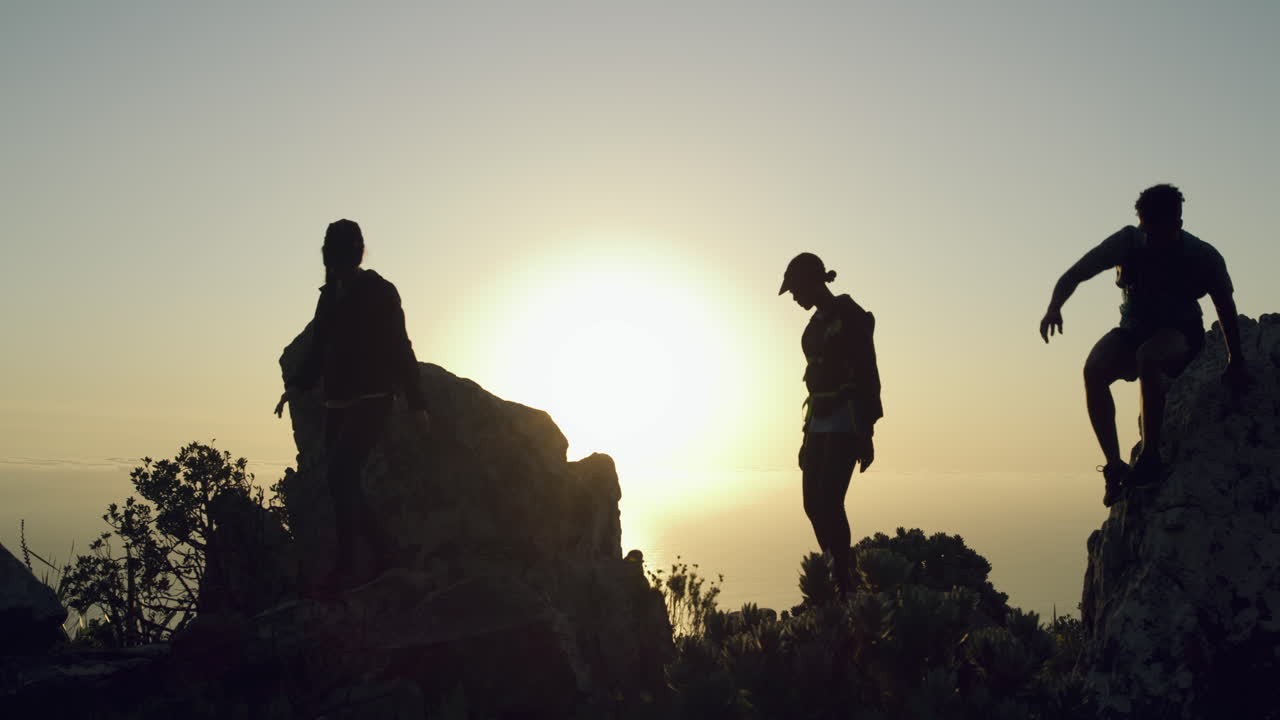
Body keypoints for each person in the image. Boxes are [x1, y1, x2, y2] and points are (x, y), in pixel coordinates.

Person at [1039, 184, 1247, 506]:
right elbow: (1076, 273)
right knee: (1093, 370)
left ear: (1175, 224)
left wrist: (1236, 359)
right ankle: (1114, 465)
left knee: (1147, 358)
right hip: (1134, 329)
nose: (1147, 237)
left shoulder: (1202, 256)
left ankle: (1151, 458)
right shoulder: (1127, 242)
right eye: (1143, 227)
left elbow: (1224, 306)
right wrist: (1055, 307)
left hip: (1181, 334)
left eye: (1155, 230)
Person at [274, 219, 431, 589]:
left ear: (354, 254)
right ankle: (374, 555)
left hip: (373, 398)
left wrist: (417, 402)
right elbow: (317, 350)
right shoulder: (329, 296)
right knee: (340, 481)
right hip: (337, 403)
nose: (333, 261)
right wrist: (296, 386)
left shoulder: (380, 291)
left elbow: (400, 346)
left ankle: (359, 560)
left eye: (338, 254)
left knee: (341, 476)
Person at [779, 252, 882, 596]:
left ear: (813, 281)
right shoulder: (814, 327)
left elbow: (869, 375)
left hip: (847, 421)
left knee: (829, 501)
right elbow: (814, 384)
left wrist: (867, 433)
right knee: (812, 503)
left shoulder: (850, 316)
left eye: (795, 289)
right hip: (819, 423)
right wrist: (806, 438)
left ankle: (844, 580)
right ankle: (834, 572)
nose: (793, 296)